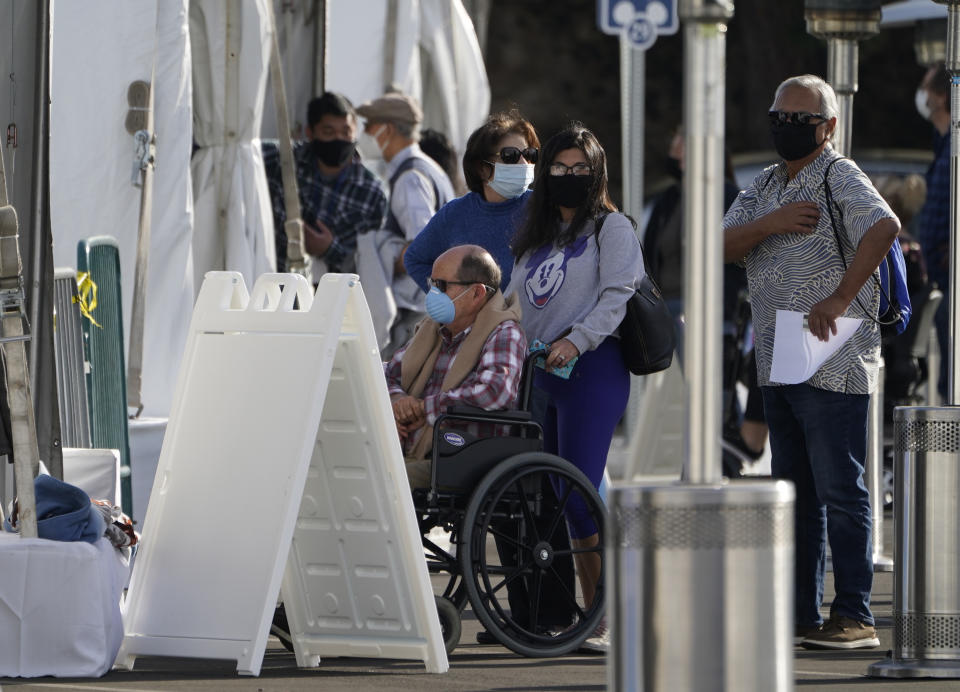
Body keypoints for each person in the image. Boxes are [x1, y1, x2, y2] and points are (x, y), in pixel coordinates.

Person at [722, 74, 900, 650]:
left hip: (835, 355)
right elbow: (717, 243)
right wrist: (770, 224)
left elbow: (884, 225)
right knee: (793, 493)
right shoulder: (767, 183)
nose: (787, 127)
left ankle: (854, 615)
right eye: (780, 115)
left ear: (828, 127)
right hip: (778, 357)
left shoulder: (839, 174)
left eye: (801, 119)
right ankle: (801, 614)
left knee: (841, 490)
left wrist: (841, 296)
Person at [508, 122, 644, 654]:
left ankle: (607, 618)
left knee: (580, 496)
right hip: (543, 376)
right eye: (559, 169)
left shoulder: (612, 229)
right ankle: (598, 612)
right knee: (564, 498)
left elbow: (617, 295)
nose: (568, 177)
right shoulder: (536, 234)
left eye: (579, 169)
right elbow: (513, 300)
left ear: (597, 173)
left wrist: (577, 340)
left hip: (592, 370)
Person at [383, 245, 525, 487]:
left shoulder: (504, 333)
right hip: (406, 451)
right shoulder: (433, 329)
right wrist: (396, 405)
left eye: (442, 285)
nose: (433, 293)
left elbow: (495, 391)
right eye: (432, 284)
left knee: (381, 483)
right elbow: (387, 374)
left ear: (476, 293)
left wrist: (425, 408)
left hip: (457, 458)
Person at [354, 91, 455, 355]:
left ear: (386, 130)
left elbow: (423, 247)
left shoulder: (411, 176)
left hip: (415, 309)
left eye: (369, 126)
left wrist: (381, 254)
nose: (363, 133)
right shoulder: (429, 167)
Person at [403, 110, 539, 292]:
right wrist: (451, 299)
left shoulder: (542, 206)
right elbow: (415, 259)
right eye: (511, 156)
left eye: (529, 154)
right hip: (476, 321)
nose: (524, 163)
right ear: (482, 168)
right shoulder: (454, 213)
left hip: (534, 320)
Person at [263, 92, 387, 278]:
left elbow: (373, 263)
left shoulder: (371, 192)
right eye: (328, 132)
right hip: (274, 284)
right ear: (310, 133)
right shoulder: (283, 162)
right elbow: (242, 152)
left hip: (333, 297)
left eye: (346, 132)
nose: (338, 139)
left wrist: (329, 249)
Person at [914, 63, 950, 397]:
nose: (922, 95)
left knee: (953, 377)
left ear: (940, 96)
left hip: (952, 281)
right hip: (940, 278)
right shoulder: (945, 145)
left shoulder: (955, 147)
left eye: (926, 88)